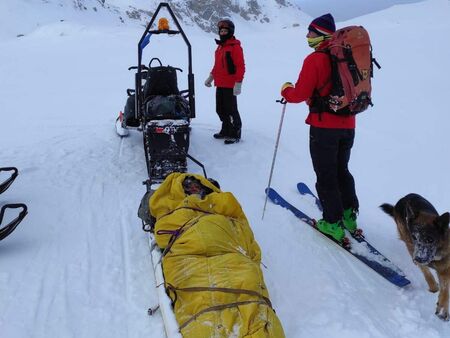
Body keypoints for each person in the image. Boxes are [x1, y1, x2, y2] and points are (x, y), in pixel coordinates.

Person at [280, 13, 359, 242]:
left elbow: (299, 94)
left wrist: (285, 89)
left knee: (326, 174)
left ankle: (332, 223)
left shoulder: (315, 59)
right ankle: (349, 215)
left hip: (324, 127)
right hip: (348, 124)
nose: (307, 35)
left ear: (321, 35)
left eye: (311, 32)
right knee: (342, 170)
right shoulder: (346, 55)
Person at [205, 19, 245, 144]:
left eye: (225, 31)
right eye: (221, 31)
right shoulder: (220, 47)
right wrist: (211, 77)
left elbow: (240, 66)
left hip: (230, 84)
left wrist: (238, 83)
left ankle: (235, 133)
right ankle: (226, 129)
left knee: (231, 109)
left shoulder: (235, 47)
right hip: (220, 83)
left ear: (230, 32)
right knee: (220, 109)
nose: (222, 33)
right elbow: (217, 65)